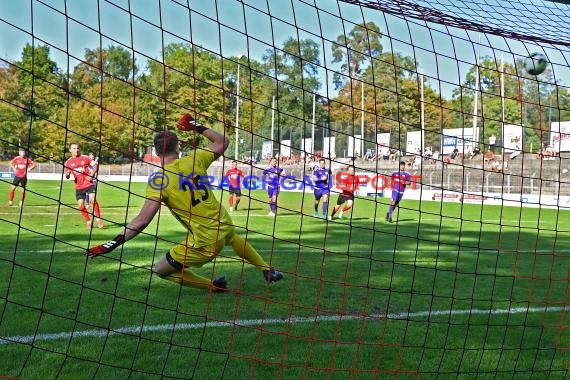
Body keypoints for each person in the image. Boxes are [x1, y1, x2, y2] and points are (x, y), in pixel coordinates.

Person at [86, 114, 283, 291]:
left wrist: (112, 243)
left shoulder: (159, 180)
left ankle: (213, 287)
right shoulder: (195, 159)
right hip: (223, 222)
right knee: (231, 237)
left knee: (161, 269)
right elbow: (223, 141)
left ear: (155, 152)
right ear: (178, 147)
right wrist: (195, 125)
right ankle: (265, 268)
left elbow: (142, 221)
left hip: (205, 241)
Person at [64, 143, 104, 229]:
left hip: (88, 183)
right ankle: (88, 222)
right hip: (79, 186)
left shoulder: (85, 158)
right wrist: (67, 174)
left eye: (77, 148)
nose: (76, 150)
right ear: (70, 150)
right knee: (81, 205)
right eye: (74, 148)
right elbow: (67, 176)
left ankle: (98, 219)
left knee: (93, 199)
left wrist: (91, 175)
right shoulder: (68, 162)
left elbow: (95, 165)